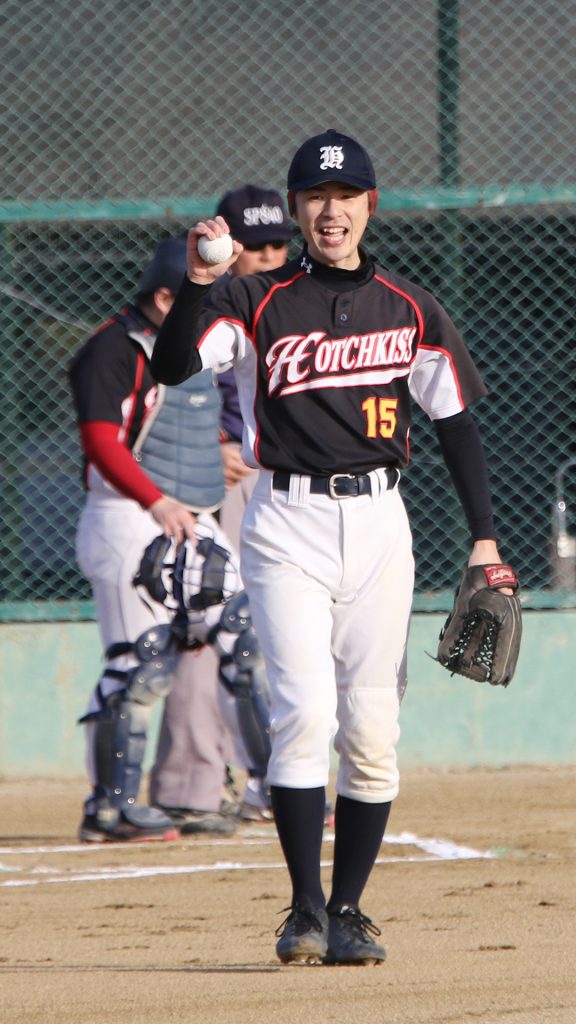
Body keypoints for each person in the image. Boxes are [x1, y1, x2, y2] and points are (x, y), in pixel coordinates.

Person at [150, 128, 513, 966]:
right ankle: (305, 909)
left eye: (346, 196)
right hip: (286, 523)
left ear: (369, 206)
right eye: (316, 196)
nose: (331, 211)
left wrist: (484, 539)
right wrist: (200, 284)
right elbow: (171, 369)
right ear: (298, 209)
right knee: (305, 713)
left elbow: (456, 425)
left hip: (381, 524)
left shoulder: (411, 308)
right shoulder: (252, 300)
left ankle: (349, 910)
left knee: (373, 728)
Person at [69, 236, 238, 842]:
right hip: (126, 514)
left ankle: (273, 787)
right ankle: (109, 808)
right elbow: (101, 441)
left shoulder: (193, 351)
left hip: (186, 513)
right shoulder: (110, 348)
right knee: (137, 664)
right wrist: (154, 499)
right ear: (166, 297)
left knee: (238, 636)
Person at [150, 185, 293, 824]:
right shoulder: (209, 306)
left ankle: (278, 777)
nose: (267, 256)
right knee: (209, 633)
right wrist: (212, 447)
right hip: (215, 491)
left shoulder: (299, 301)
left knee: (275, 638)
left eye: (277, 243)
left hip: (286, 482)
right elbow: (165, 390)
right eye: (253, 245)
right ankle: (194, 786)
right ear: (228, 247)